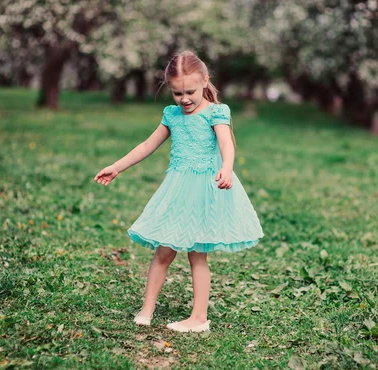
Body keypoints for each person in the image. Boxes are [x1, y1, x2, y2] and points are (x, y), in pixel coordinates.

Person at [93, 50, 264, 333]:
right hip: (177, 189)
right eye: (176, 93)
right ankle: (147, 308)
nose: (184, 99)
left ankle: (199, 318)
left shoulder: (216, 112)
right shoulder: (172, 115)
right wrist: (117, 166)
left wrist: (227, 167)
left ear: (205, 81)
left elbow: (226, 144)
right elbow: (147, 145)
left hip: (206, 188)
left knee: (197, 254)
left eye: (190, 92)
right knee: (164, 251)